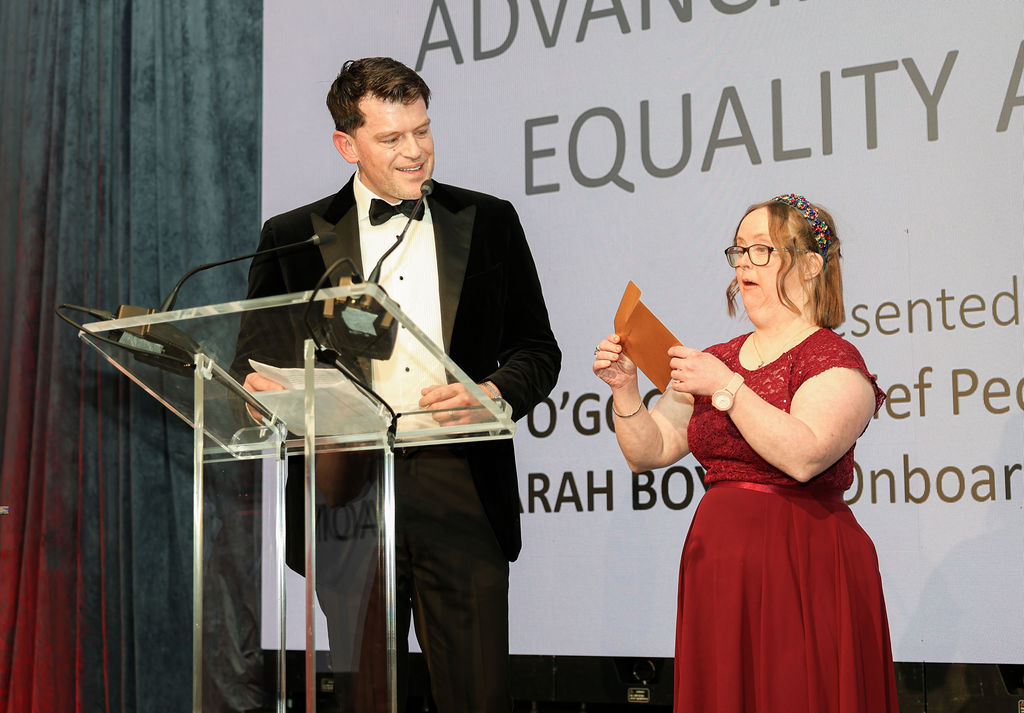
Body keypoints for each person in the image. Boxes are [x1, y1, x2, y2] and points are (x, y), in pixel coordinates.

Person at [241, 57, 560, 712]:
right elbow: (255, 361)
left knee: (478, 696)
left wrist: (493, 394)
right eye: (391, 137)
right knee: (366, 698)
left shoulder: (489, 221)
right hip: (345, 493)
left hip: (459, 483)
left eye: (422, 130)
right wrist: (263, 392)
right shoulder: (291, 238)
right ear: (347, 144)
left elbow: (537, 350)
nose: (415, 151)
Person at [593, 194, 899, 713]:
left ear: (810, 264)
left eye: (762, 249)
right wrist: (625, 390)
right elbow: (650, 450)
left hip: (801, 561)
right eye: (739, 250)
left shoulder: (834, 359)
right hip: (720, 565)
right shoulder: (717, 359)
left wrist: (727, 387)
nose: (743, 263)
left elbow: (805, 455)